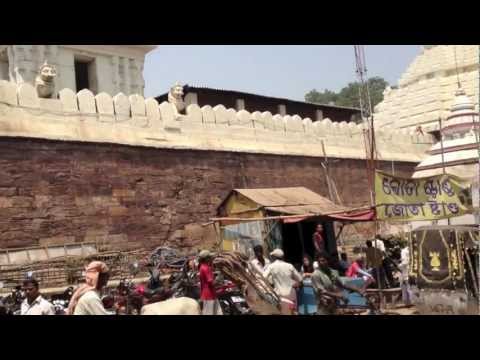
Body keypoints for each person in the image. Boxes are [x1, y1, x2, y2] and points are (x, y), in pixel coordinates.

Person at [263, 249, 302, 315]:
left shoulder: (271, 266)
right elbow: (300, 279)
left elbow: (263, 277)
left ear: (274, 257)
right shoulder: (289, 266)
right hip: (291, 295)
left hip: (280, 296)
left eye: (272, 256)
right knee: (292, 313)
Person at [198, 250, 223, 315]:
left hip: (207, 295)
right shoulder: (206, 268)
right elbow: (212, 283)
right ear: (206, 259)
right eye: (210, 257)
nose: (211, 259)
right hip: (209, 296)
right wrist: (219, 278)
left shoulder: (202, 267)